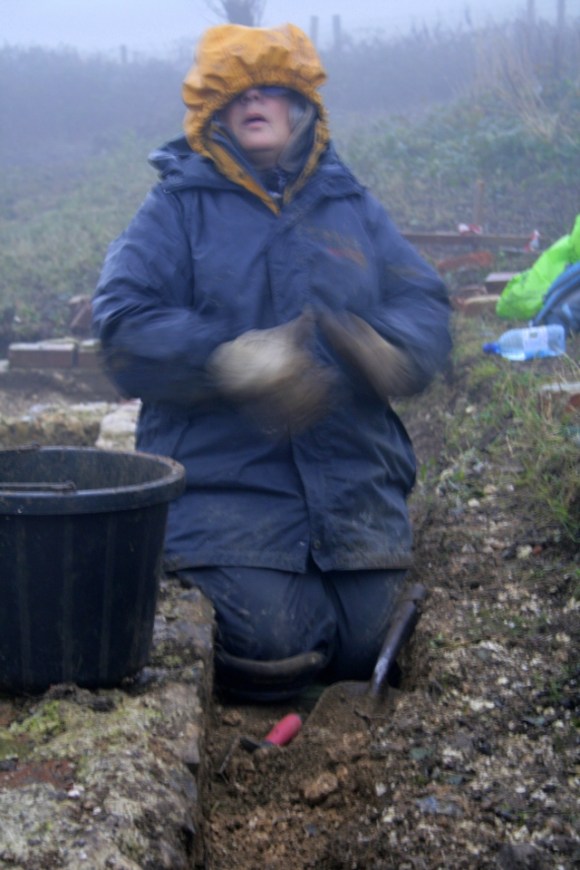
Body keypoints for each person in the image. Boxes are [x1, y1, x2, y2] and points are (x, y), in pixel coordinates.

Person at [92, 23, 451, 701]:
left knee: (365, 640)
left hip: (354, 484)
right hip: (225, 488)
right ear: (212, 114)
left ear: (302, 107)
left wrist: (395, 349)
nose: (254, 101)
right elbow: (123, 323)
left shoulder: (350, 206)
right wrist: (225, 360)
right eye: (235, 93)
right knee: (270, 639)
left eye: (271, 89)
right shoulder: (175, 207)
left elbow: (425, 300)